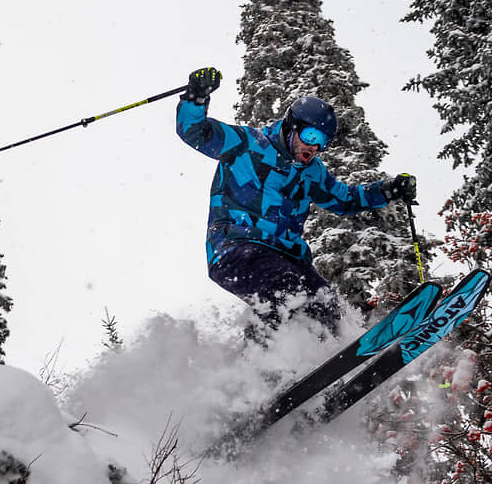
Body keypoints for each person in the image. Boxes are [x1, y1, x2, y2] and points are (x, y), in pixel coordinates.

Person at [175, 67, 416, 338]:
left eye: (323, 142)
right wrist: (196, 98)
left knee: (327, 306)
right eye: (311, 136)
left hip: (287, 255)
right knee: (284, 288)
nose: (314, 147)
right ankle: (264, 367)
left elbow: (345, 199)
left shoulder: (313, 172)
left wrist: (388, 191)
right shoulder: (246, 145)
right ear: (292, 127)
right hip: (237, 247)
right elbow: (195, 132)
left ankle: (327, 366)